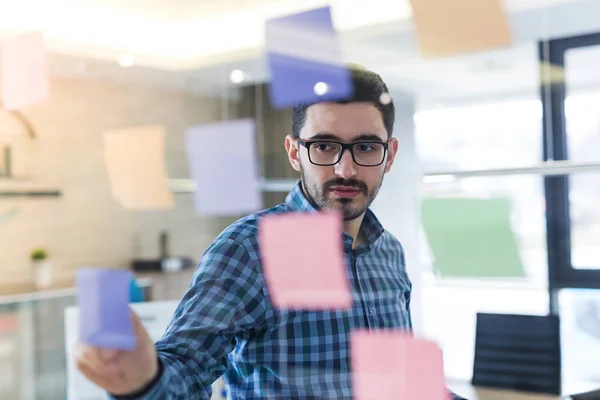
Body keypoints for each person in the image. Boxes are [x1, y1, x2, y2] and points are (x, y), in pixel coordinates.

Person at [75, 66, 465, 400]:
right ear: (295, 152)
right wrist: (145, 380)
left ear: (390, 155)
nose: (345, 169)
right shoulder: (248, 248)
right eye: (325, 146)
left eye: (365, 146)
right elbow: (187, 369)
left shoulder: (389, 251)